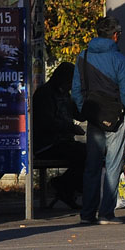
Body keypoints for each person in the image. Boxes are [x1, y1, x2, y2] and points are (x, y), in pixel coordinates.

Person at [71, 15, 125, 225]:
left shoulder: (83, 55)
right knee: (113, 165)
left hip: (94, 118)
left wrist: (86, 111)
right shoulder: (120, 59)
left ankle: (87, 214)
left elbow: (76, 91)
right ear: (115, 35)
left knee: (91, 166)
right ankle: (106, 213)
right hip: (116, 117)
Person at [32, 62, 84, 210]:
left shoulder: (64, 95)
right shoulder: (45, 94)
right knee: (82, 154)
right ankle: (66, 185)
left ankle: (66, 185)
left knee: (91, 152)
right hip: (48, 144)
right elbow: (46, 123)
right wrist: (71, 128)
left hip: (62, 142)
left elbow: (78, 114)